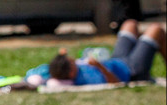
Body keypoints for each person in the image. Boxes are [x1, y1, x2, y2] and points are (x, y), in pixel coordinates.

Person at [37, 20, 167, 86]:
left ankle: (143, 47)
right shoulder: (87, 78)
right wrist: (100, 67)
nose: (72, 59)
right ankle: (144, 49)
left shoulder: (73, 70)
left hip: (118, 59)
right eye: (70, 61)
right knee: (156, 29)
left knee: (129, 24)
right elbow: (117, 83)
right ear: (71, 72)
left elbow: (44, 72)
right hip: (132, 70)